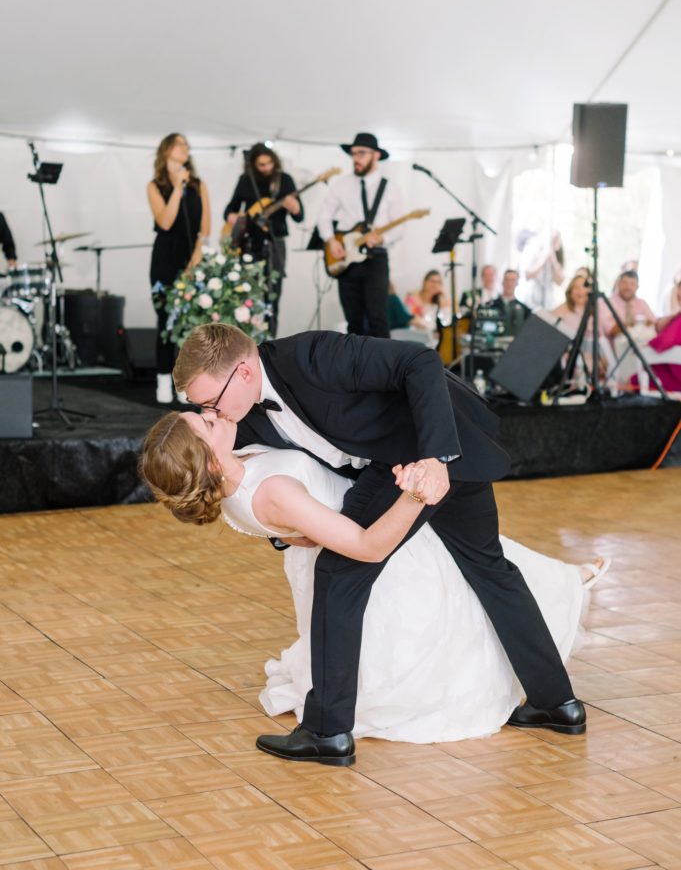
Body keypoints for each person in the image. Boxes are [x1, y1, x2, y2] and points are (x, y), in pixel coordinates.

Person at [172, 322, 586, 766]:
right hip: (398, 465)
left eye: (210, 401)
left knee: (339, 574)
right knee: (490, 566)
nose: (210, 411)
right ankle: (557, 703)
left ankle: (327, 731)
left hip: (427, 452)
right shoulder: (241, 415)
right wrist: (282, 532)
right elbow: (251, 484)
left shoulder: (313, 356)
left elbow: (419, 360)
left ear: (245, 372)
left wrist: (435, 458)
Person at [141, 409, 608, 745]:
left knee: (482, 573)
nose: (209, 413)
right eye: (204, 423)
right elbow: (366, 546)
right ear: (212, 461)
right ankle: (567, 596)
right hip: (382, 538)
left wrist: (292, 534)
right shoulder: (272, 491)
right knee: (469, 594)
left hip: (361, 524)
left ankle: (567, 596)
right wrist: (414, 495)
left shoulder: (235, 479)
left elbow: (292, 521)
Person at [317, 132, 404, 338]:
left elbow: (400, 227)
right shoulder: (341, 184)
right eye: (354, 153)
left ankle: (383, 369)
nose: (356, 158)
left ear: (376, 155)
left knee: (378, 319)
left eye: (362, 153)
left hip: (376, 258)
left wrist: (383, 238)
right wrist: (331, 241)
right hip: (347, 259)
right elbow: (324, 217)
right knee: (353, 322)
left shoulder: (390, 188)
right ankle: (356, 369)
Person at [147, 133, 211, 404]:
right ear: (167, 150)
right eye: (180, 144)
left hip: (192, 257)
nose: (186, 148)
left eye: (187, 145)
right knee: (166, 321)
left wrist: (198, 253)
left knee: (191, 322)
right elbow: (165, 221)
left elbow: (205, 224)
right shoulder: (155, 186)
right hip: (165, 257)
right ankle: (163, 380)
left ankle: (186, 383)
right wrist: (176, 187)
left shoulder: (198, 184)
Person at [221, 143, 304, 337]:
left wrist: (295, 208)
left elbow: (300, 217)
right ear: (253, 165)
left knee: (272, 298)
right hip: (249, 245)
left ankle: (270, 343)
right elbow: (229, 209)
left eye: (269, 163)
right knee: (245, 297)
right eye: (261, 164)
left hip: (275, 243)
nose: (267, 168)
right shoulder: (245, 180)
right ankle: (245, 341)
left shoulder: (284, 181)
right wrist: (233, 218)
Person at [600, 270, 656, 339]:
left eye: (632, 284)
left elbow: (654, 323)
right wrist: (636, 323)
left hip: (640, 344)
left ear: (637, 287)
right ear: (618, 284)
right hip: (617, 346)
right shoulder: (607, 303)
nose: (628, 287)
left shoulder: (642, 303)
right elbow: (611, 330)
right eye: (624, 283)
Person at [521, 230, 565, 309]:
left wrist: (553, 260)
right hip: (532, 299)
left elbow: (560, 281)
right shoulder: (533, 250)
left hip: (548, 301)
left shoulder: (557, 257)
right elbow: (528, 275)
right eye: (553, 239)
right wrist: (543, 259)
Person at [404, 269, 452, 343]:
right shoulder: (413, 298)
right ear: (424, 282)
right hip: (418, 337)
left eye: (438, 282)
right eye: (432, 281)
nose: (435, 285)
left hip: (437, 338)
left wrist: (443, 297)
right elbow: (411, 320)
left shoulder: (442, 300)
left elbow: (448, 319)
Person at [490, 269, 530, 337]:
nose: (509, 283)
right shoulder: (491, 305)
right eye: (507, 280)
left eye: (513, 280)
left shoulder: (525, 309)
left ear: (517, 283)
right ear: (502, 282)